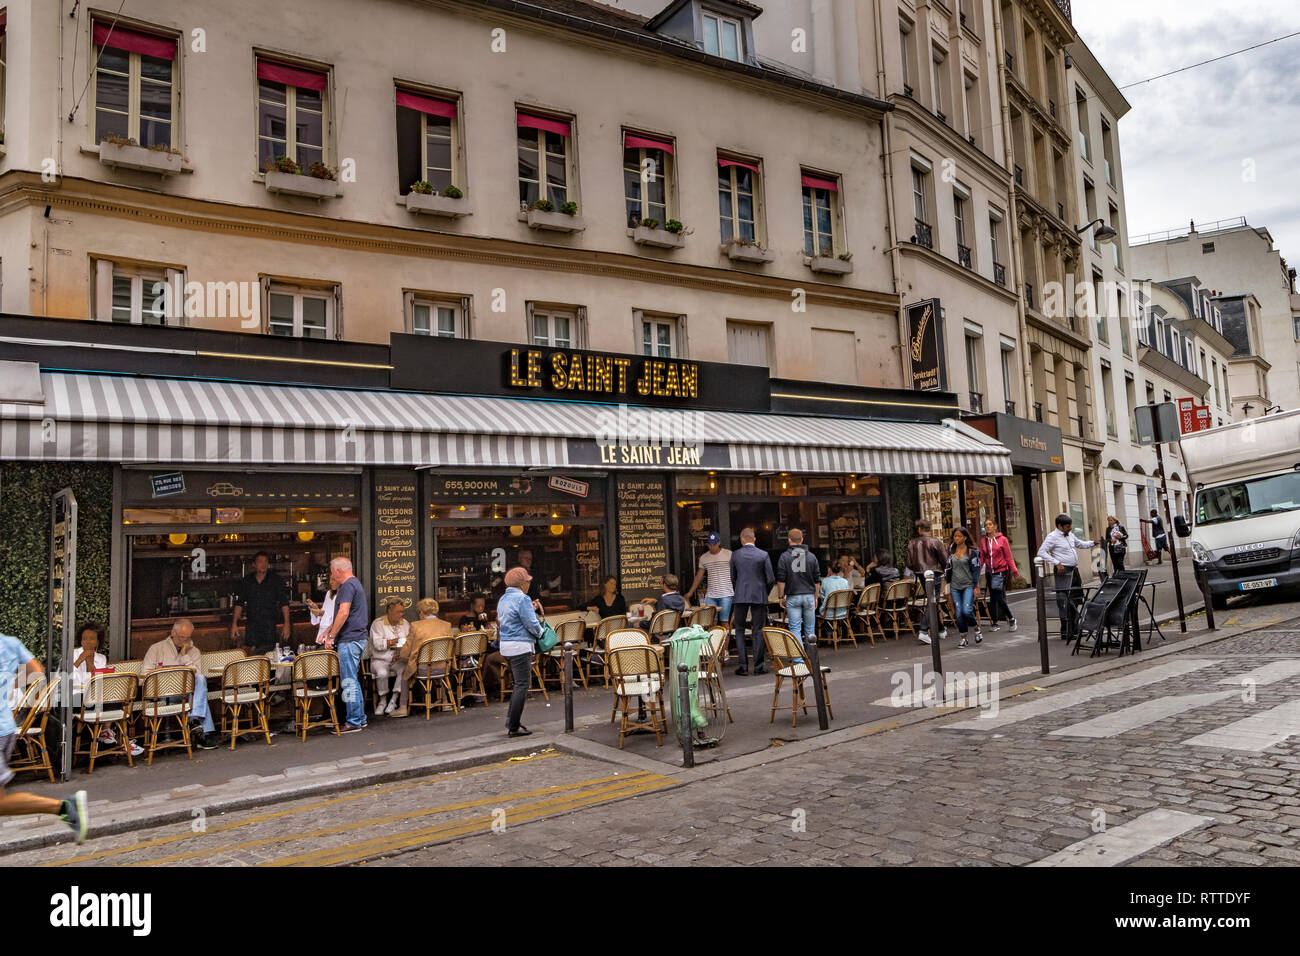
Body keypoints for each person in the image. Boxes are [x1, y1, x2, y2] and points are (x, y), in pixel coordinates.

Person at [0, 633, 89, 844]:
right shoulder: (10, 642)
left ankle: (65, 808)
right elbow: (37, 673)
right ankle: (65, 808)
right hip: (7, 728)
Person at [141, 618, 218, 750]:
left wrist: (184, 655)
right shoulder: (156, 649)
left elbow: (196, 676)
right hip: (161, 693)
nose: (184, 641)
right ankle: (202, 732)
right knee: (200, 694)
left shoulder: (194, 651)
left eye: (187, 638)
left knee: (200, 679)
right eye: (182, 637)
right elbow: (143, 677)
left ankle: (194, 719)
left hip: (186, 694)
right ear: (173, 633)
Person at [321, 557, 369, 733]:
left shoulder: (347, 586)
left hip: (349, 639)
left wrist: (332, 636)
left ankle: (353, 721)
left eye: (332, 571)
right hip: (355, 637)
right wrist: (329, 629)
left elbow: (344, 611)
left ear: (338, 571)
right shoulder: (355, 583)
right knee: (352, 679)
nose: (331, 575)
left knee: (348, 681)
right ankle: (360, 718)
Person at [1036, 514, 1098, 643]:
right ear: (1060, 526)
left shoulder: (1070, 535)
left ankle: (1075, 628)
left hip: (1074, 570)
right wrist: (1056, 562)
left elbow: (1080, 544)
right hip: (1063, 571)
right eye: (1068, 526)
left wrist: (1093, 543)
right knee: (1064, 600)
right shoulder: (1052, 537)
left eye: (1070, 525)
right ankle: (1065, 630)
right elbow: (1041, 552)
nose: (1070, 528)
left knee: (1075, 599)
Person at [497, 566, 543, 737]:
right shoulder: (523, 599)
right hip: (520, 646)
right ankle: (514, 726)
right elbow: (531, 623)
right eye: (528, 582)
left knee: (518, 684)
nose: (529, 584)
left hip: (506, 647)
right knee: (522, 685)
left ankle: (511, 721)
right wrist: (541, 633)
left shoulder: (503, 599)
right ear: (522, 584)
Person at [730, 528, 775, 675]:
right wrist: (764, 592)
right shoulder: (763, 555)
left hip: (740, 595)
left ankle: (743, 666)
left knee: (740, 630)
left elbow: (733, 577)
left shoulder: (736, 555)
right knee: (758, 630)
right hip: (758, 595)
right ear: (754, 539)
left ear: (742, 539)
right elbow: (770, 579)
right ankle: (758, 666)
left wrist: (739, 590)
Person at [231, 551, 290, 655]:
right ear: (254, 564)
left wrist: (287, 624)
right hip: (252, 626)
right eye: (260, 561)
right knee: (252, 657)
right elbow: (239, 603)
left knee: (270, 656)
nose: (263, 564)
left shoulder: (275, 580)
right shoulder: (247, 581)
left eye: (266, 561)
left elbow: (284, 603)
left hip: (270, 626)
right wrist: (234, 624)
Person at [776, 528, 821, 650]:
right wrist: (816, 597)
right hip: (809, 596)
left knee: (795, 628)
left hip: (793, 596)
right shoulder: (812, 557)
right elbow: (817, 581)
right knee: (810, 629)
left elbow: (781, 580)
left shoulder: (784, 557)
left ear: (789, 540)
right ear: (802, 539)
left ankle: (799, 660)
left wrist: (781, 597)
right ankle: (811, 656)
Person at [906, 519, 949, 645]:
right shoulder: (935, 542)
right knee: (932, 601)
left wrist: (917, 569)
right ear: (929, 529)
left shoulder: (912, 543)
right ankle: (923, 631)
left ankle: (940, 629)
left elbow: (909, 563)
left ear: (919, 529)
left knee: (932, 600)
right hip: (934, 574)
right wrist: (944, 572)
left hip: (920, 574)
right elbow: (945, 560)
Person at [369, 597, 411, 718]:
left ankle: (393, 699)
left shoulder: (405, 623)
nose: (401, 614)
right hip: (380, 659)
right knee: (382, 673)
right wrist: (392, 642)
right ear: (389, 611)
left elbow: (409, 640)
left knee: (404, 670)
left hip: (398, 659)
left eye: (402, 611)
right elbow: (377, 644)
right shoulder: (378, 624)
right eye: (398, 612)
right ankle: (382, 701)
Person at [945, 527, 984, 648]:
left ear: (965, 537)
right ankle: (963, 638)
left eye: (959, 536)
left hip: (968, 585)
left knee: (967, 611)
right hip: (955, 586)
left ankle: (976, 629)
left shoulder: (972, 552)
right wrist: (946, 584)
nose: (956, 538)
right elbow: (947, 569)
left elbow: (976, 570)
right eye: (955, 536)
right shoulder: (951, 551)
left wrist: (976, 586)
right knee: (959, 613)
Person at [683, 532, 734, 623]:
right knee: (711, 623)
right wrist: (690, 592)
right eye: (710, 544)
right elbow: (699, 576)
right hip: (710, 596)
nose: (712, 547)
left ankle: (726, 637)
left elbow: (737, 572)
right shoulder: (704, 557)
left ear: (719, 543)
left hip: (726, 594)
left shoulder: (729, 554)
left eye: (714, 544)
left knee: (724, 622)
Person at [979, 519, 1018, 632]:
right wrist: (976, 572)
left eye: (990, 524)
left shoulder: (1003, 540)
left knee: (998, 595)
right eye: (986, 525)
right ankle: (995, 622)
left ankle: (1011, 618)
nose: (988, 527)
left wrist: (1014, 571)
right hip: (989, 572)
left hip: (1001, 570)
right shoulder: (983, 541)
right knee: (993, 597)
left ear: (995, 526)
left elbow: (1008, 556)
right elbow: (981, 558)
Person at [71, 621, 108, 693]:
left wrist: (89, 667)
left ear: (97, 642)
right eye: (84, 639)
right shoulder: (73, 654)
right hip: (74, 696)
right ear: (81, 641)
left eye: (91, 638)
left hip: (93, 695)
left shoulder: (101, 659)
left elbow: (97, 685)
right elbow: (69, 680)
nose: (87, 641)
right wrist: (79, 660)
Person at [818, 561, 851, 631]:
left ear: (829, 569)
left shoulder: (825, 581)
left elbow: (822, 596)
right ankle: (839, 633)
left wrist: (827, 575)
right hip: (842, 612)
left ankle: (829, 639)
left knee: (822, 610)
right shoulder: (845, 581)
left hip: (828, 613)